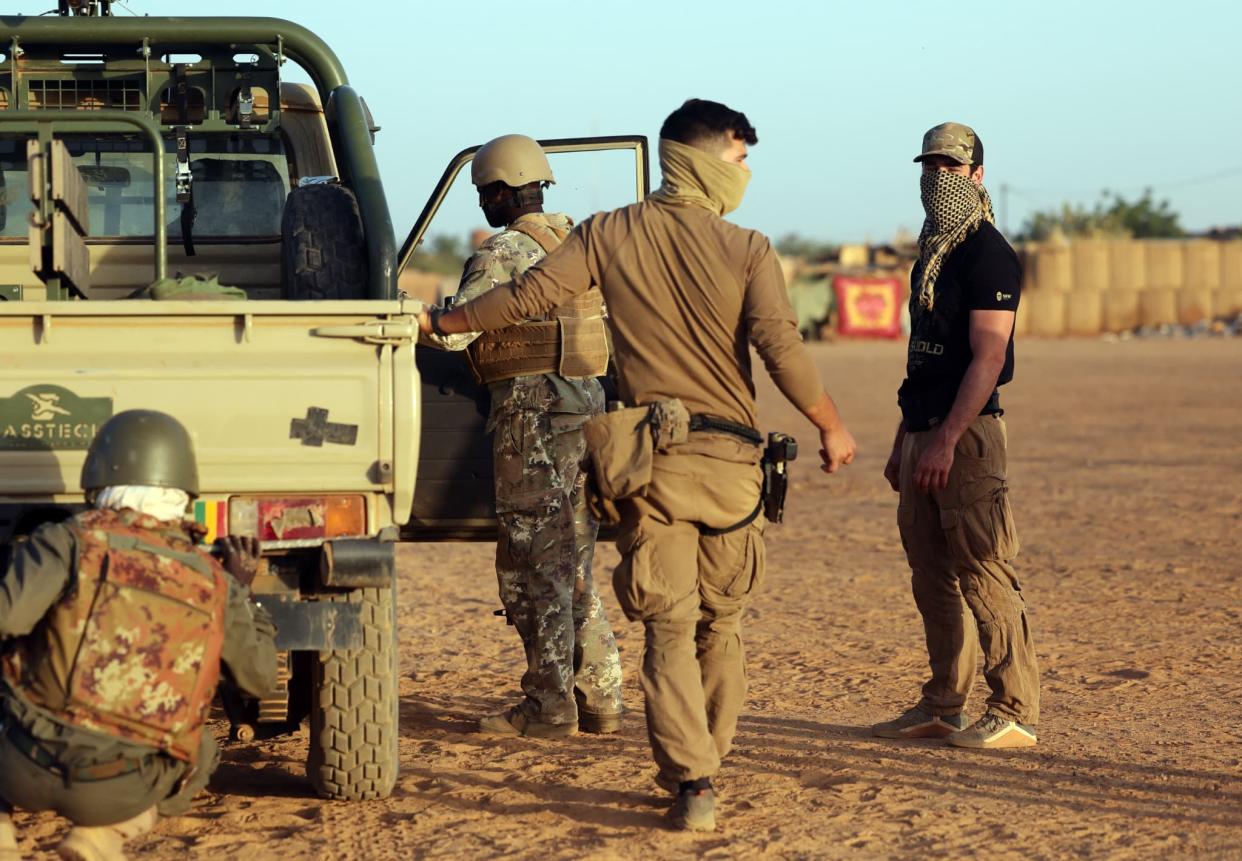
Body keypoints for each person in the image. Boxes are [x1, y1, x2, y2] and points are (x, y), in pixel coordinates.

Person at [420, 100, 857, 831]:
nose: (745, 174)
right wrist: (831, 427)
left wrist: (443, 321)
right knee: (722, 624)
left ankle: (694, 781)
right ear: (703, 159)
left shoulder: (607, 233)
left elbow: (523, 297)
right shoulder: (748, 247)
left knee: (670, 626)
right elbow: (782, 349)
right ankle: (703, 759)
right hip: (732, 467)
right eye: (740, 159)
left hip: (652, 463)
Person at [0, 410, 277, 861]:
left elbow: (7, 618)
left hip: (23, 766)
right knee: (202, 747)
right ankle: (101, 839)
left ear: (98, 480)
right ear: (184, 494)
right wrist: (241, 592)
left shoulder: (68, 540)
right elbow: (259, 678)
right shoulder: (214, 579)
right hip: (125, 790)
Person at [421, 134, 623, 738]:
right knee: (576, 559)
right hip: (588, 413)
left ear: (505, 192)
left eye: (486, 194)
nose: (484, 205)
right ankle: (601, 696)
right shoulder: (583, 242)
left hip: (531, 421)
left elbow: (455, 334)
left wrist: (409, 319)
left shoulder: (501, 252)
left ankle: (548, 707)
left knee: (536, 564)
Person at [872, 122, 1041, 749]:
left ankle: (1015, 708)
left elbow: (988, 358)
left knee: (983, 569)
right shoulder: (931, 255)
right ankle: (943, 704)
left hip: (966, 437)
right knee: (930, 575)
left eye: (951, 167)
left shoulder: (987, 254)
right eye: (930, 166)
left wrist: (944, 439)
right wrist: (906, 438)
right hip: (923, 429)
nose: (938, 178)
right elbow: (924, 362)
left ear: (976, 175)